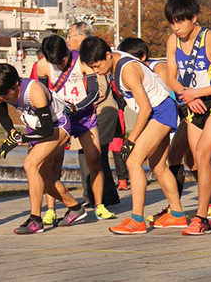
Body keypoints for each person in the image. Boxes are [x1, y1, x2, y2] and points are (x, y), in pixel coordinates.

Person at [80, 36, 187, 233]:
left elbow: (145, 108)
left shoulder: (126, 70)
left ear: (108, 55)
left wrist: (131, 140)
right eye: (93, 68)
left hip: (160, 111)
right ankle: (178, 215)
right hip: (158, 111)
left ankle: (137, 219)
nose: (96, 71)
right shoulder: (114, 62)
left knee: (132, 161)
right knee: (158, 167)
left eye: (98, 66)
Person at [164, 0, 211, 235]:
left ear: (193, 18)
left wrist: (197, 93)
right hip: (193, 105)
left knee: (204, 155)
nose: (176, 28)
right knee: (197, 161)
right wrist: (187, 94)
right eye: (172, 22)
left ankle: (202, 217)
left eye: (181, 22)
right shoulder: (173, 41)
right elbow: (171, 77)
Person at [0, 63, 86, 235]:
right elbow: (3, 115)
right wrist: (12, 133)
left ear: (16, 84)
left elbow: (47, 131)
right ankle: (75, 207)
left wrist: (20, 139)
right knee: (43, 178)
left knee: (30, 164)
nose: (1, 98)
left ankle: (35, 219)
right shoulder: (0, 91)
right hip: (38, 128)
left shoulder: (35, 92)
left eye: (4, 94)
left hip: (57, 126)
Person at [33, 35, 115, 223]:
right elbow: (42, 96)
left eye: (62, 61)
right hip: (60, 120)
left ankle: (99, 206)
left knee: (94, 160)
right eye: (55, 63)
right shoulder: (43, 66)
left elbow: (94, 93)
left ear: (67, 52)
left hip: (84, 117)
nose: (60, 66)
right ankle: (51, 209)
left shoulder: (82, 61)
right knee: (52, 164)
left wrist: (78, 106)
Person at [66, 22, 121, 207]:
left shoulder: (90, 56)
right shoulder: (79, 57)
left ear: (81, 38)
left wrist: (78, 106)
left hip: (100, 111)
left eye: (70, 36)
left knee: (93, 155)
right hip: (89, 112)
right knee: (93, 156)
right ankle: (100, 196)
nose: (67, 40)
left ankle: (97, 197)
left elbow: (100, 90)